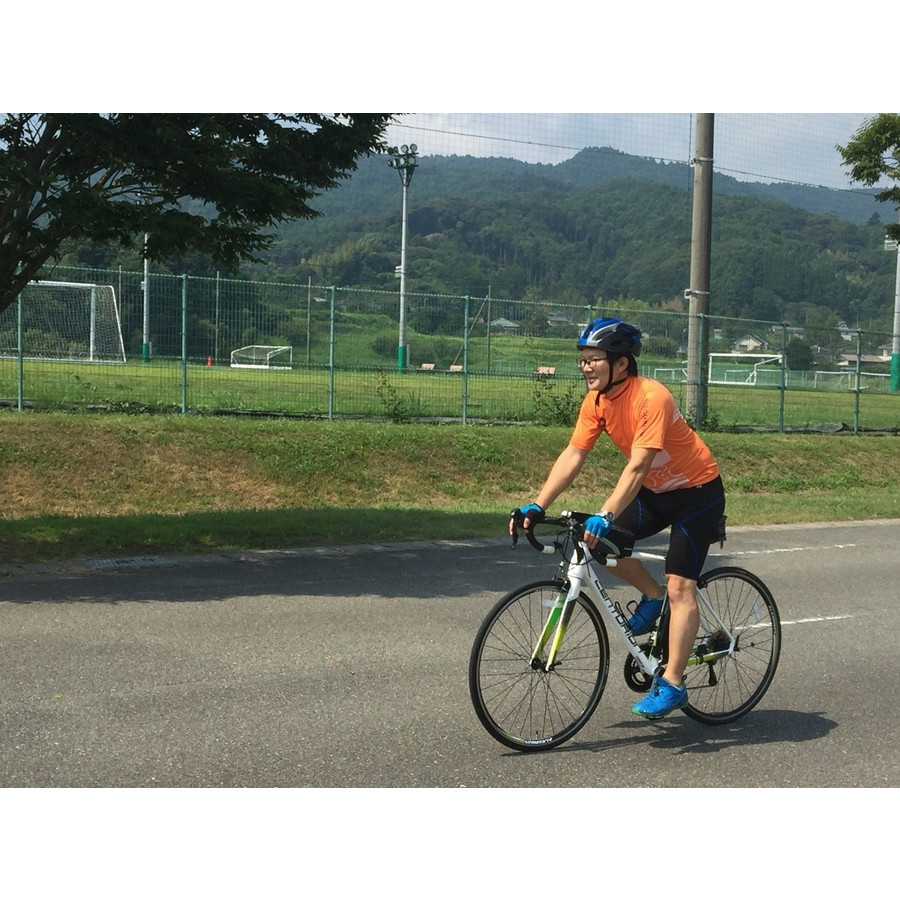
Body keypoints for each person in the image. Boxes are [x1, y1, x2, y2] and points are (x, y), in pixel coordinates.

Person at [512, 317, 726, 719]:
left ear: (622, 363)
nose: (585, 366)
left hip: (696, 492)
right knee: (597, 545)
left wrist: (606, 512)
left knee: (681, 585)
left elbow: (639, 465)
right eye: (583, 359)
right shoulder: (596, 402)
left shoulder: (651, 397)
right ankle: (652, 596)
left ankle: (673, 684)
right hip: (655, 492)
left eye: (594, 359)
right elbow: (574, 454)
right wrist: (538, 504)